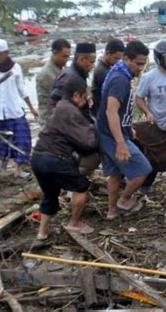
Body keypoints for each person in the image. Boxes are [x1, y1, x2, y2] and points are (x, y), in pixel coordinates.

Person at [31, 76, 98, 240]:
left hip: (37, 158)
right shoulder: (71, 111)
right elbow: (89, 142)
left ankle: (42, 232)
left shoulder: (60, 106)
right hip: (55, 159)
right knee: (81, 186)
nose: (85, 100)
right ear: (76, 95)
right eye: (84, 96)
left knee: (50, 195)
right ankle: (74, 223)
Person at [97, 40, 152, 220]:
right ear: (127, 59)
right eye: (138, 64)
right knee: (143, 169)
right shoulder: (120, 80)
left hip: (108, 132)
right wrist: (121, 143)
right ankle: (125, 200)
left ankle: (112, 211)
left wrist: (128, 128)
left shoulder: (118, 71)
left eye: (144, 64)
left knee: (115, 174)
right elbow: (111, 110)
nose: (141, 68)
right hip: (112, 135)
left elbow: (119, 110)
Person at [135, 40, 166, 194]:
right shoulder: (149, 77)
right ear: (159, 58)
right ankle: (146, 185)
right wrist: (147, 112)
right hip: (159, 124)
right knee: (156, 157)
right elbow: (139, 98)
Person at [0, 39, 39, 178]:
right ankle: (3, 167)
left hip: (15, 110)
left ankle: (18, 169)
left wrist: (31, 108)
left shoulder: (15, 68)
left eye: (0, 54)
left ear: (7, 53)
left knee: (23, 139)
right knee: (0, 142)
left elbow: (21, 89)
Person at [50, 42, 96, 117]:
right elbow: (55, 102)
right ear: (81, 59)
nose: (93, 66)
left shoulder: (78, 74)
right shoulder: (70, 78)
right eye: (91, 62)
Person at [36, 39, 71, 122]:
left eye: (68, 56)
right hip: (50, 119)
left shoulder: (61, 67)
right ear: (54, 53)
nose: (66, 59)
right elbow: (47, 102)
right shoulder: (46, 74)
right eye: (64, 56)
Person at [91, 39, 125, 117]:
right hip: (101, 112)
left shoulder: (108, 67)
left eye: (119, 59)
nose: (117, 62)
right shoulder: (102, 72)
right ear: (107, 53)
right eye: (115, 58)